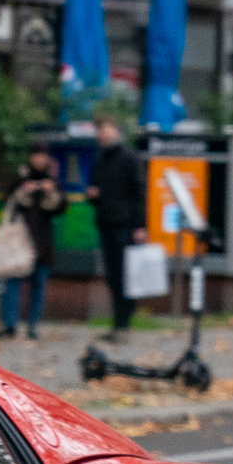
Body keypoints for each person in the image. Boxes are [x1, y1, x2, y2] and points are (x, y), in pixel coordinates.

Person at [86, 117, 147, 339]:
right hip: (106, 222)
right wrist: (93, 195)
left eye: (105, 129)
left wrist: (140, 225)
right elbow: (94, 188)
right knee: (112, 276)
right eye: (99, 131)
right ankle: (117, 323)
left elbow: (139, 194)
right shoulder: (99, 159)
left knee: (125, 276)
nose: (102, 135)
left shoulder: (130, 158)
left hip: (126, 225)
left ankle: (123, 323)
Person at [0, 149, 64, 340]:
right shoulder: (20, 178)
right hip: (19, 240)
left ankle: (33, 326)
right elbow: (8, 200)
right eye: (35, 155)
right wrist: (23, 191)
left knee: (38, 286)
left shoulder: (53, 180)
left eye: (42, 155)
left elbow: (61, 207)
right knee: (13, 284)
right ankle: (10, 325)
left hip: (42, 243)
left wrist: (51, 192)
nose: (39, 159)